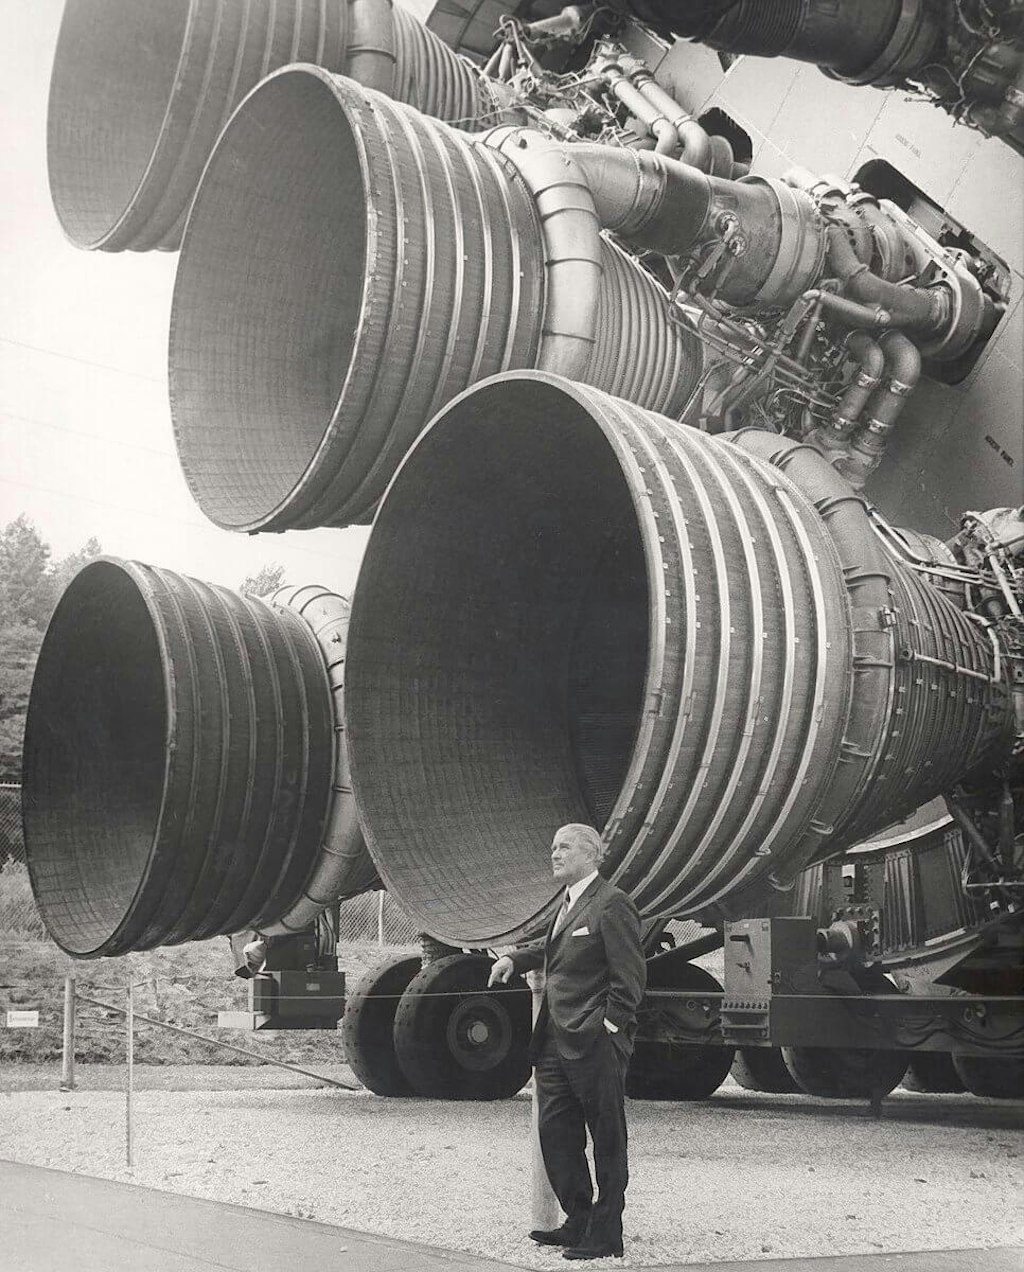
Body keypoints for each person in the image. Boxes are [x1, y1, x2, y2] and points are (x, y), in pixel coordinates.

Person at [488, 823, 646, 1261]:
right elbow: (553, 946)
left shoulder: (612, 904)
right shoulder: (570, 902)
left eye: (565, 847)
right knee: (555, 1131)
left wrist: (609, 1028)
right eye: (553, 847)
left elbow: (630, 979)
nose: (554, 854)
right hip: (555, 1041)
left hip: (594, 1041)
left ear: (592, 854)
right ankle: (577, 1220)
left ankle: (606, 1232)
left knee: (607, 1136)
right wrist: (512, 957)